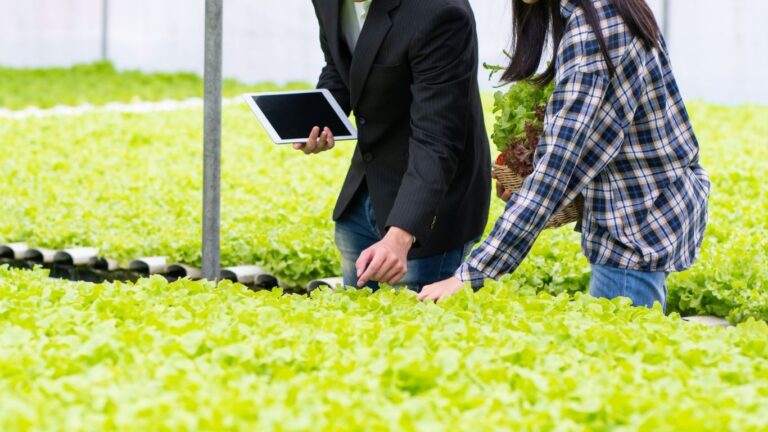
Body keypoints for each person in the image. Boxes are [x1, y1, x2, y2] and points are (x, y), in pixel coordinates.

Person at [418, 0, 710, 311]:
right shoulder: (606, 11)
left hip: (632, 234)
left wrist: (470, 276)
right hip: (651, 215)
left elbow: (555, 172)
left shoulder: (594, 34)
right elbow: (609, 140)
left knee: (621, 340)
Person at [298, 0, 491, 290]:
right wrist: (321, 117)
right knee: (355, 315)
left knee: (417, 316)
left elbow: (436, 138)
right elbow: (341, 66)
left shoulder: (439, 12)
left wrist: (401, 235)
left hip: (429, 204)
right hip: (365, 188)